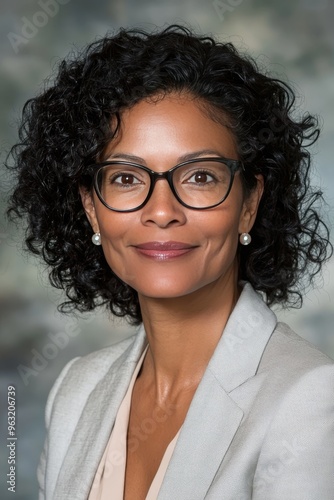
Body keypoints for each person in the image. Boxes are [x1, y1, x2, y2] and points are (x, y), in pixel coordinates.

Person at [7, 25, 334, 500]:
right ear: (90, 206)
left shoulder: (310, 399)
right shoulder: (77, 390)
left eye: (200, 176)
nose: (162, 211)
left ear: (249, 202)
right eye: (125, 178)